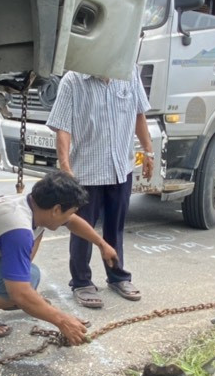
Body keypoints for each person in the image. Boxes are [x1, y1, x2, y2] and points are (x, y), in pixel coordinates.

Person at [0, 171, 117, 345]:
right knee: (29, 280)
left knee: (27, 280)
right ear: (56, 210)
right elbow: (20, 292)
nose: (71, 217)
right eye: (69, 212)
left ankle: (12, 299)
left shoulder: (31, 204)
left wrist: (102, 244)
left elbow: (72, 222)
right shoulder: (17, 230)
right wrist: (62, 320)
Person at [46, 68, 154, 308]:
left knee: (115, 229)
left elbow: (138, 115)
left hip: (120, 168)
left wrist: (148, 151)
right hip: (86, 172)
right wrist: (66, 168)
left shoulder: (129, 72)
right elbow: (63, 128)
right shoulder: (73, 80)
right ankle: (82, 282)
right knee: (82, 230)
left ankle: (117, 277)